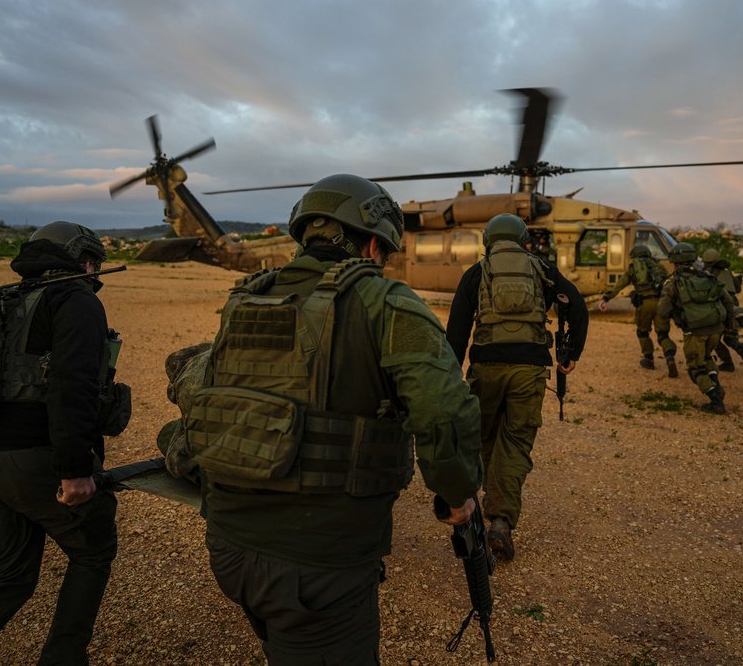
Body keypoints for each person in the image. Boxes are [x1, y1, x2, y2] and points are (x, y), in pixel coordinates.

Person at [189, 174, 483, 665]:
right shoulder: (385, 301)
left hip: (228, 544)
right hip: (319, 562)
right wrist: (458, 495)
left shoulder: (246, 299)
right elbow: (444, 409)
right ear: (372, 243)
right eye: (385, 251)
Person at [0, 222, 119, 665]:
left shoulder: (2, 300)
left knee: (7, 577)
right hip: (27, 460)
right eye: (93, 263)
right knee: (93, 552)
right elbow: (73, 385)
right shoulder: (75, 299)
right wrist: (75, 469)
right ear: (83, 261)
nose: (95, 272)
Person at [446, 213, 588, 561]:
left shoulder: (476, 273)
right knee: (516, 441)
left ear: (488, 241)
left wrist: (449, 375)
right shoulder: (543, 270)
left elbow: (457, 331)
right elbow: (578, 307)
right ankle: (500, 521)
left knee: (484, 436)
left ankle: (487, 503)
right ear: (524, 240)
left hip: (486, 367)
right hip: (529, 369)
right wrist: (571, 354)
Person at [656, 242, 736, 414]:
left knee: (696, 368)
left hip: (695, 332)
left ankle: (716, 401)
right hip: (715, 329)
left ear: (675, 262)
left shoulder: (673, 284)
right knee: (707, 358)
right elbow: (728, 302)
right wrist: (730, 327)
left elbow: (662, 311)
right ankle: (717, 386)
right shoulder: (709, 277)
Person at [598, 244, 678, 376]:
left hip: (644, 304)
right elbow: (670, 282)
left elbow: (620, 284)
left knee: (643, 332)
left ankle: (649, 360)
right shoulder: (658, 266)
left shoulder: (633, 268)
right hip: (660, 303)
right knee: (663, 333)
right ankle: (670, 358)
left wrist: (606, 298)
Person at [701, 247, 743, 372]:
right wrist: (737, 280)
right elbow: (737, 289)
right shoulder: (727, 273)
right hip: (733, 305)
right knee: (729, 336)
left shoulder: (706, 273)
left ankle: (727, 362)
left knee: (714, 338)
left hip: (719, 305)